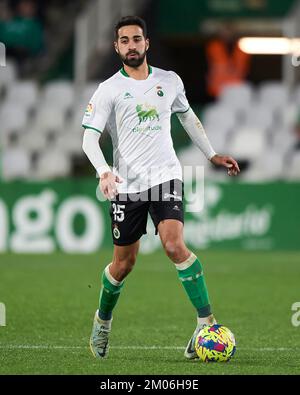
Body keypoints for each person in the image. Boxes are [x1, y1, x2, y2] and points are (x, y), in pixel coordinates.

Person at [82, 16, 240, 360]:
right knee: (123, 265)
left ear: (147, 43)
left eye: (136, 39)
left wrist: (211, 154)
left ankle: (205, 322)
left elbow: (187, 116)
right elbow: (89, 138)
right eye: (124, 41)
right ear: (116, 47)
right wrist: (104, 172)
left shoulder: (169, 81)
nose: (131, 45)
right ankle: (103, 321)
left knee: (173, 244)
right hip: (127, 186)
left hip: (166, 176)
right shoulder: (108, 88)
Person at [205, 24, 250, 99]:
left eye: (230, 31)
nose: (227, 34)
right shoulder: (213, 47)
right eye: (225, 31)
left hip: (237, 91)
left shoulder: (242, 47)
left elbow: (247, 70)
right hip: (217, 91)